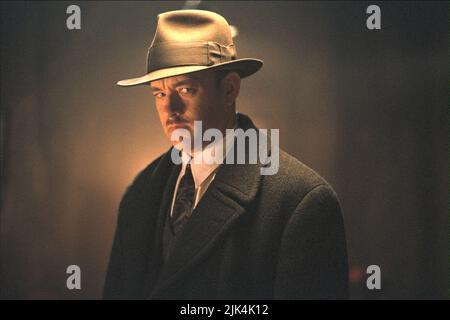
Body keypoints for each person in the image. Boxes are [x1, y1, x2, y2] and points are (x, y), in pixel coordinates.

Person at [103, 9, 348, 300]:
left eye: (186, 88)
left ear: (230, 89)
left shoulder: (300, 201)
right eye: (159, 93)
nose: (170, 109)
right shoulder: (140, 192)